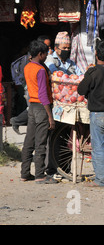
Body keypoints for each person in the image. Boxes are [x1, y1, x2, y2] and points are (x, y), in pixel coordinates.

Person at [78, 40, 104, 188]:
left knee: (99, 148)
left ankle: (101, 181)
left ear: (96, 53)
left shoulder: (93, 72)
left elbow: (81, 90)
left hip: (98, 113)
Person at [20, 40, 57, 184]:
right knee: (41, 143)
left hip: (32, 106)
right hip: (41, 107)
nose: (47, 56)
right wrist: (50, 117)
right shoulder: (40, 70)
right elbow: (43, 95)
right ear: (40, 54)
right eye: (45, 54)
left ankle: (25, 173)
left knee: (29, 141)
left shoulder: (28, 67)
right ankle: (40, 175)